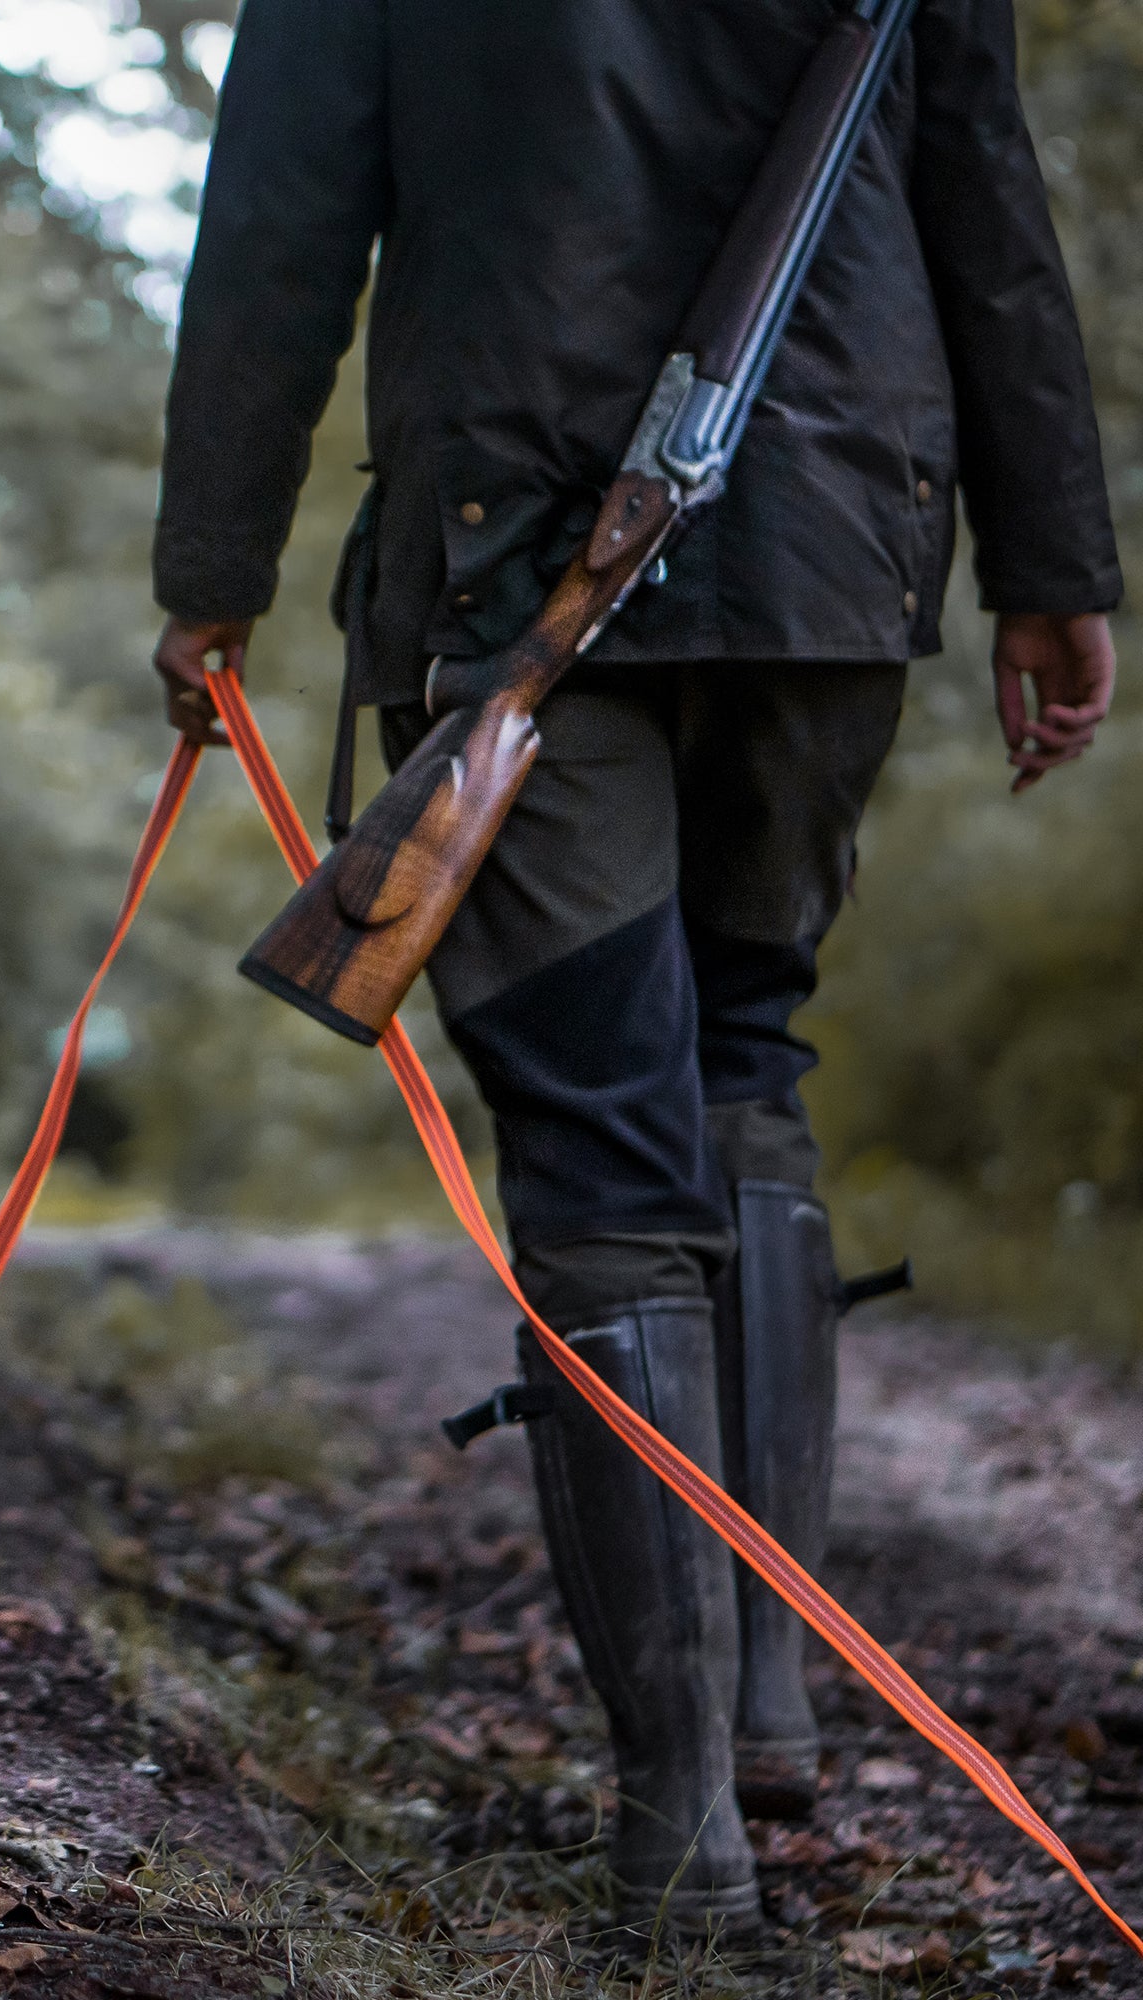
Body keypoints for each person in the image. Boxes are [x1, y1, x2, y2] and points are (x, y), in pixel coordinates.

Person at [149, 0, 1121, 1934]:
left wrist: (213, 567)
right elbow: (982, 199)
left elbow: (279, 209)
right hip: (840, 546)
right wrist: (1051, 561)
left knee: (604, 1149)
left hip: (517, 545)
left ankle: (684, 1832)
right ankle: (769, 1720)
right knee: (747, 1057)